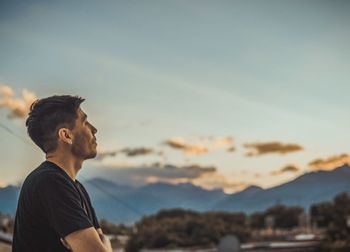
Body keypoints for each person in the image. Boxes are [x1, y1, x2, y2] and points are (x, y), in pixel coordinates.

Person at [12, 95, 113, 252]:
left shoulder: (76, 187)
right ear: (66, 135)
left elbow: (100, 242)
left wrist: (102, 244)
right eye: (85, 122)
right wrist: (104, 245)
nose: (94, 130)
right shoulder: (50, 182)